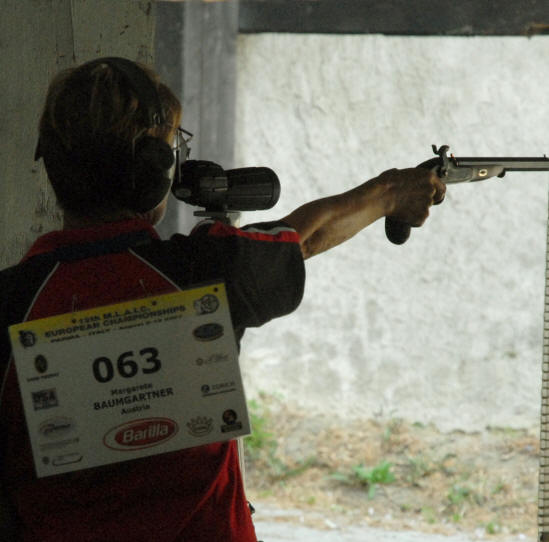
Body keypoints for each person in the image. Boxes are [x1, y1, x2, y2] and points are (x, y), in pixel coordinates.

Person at [0, 57, 445, 542]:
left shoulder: (12, 303)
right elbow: (306, 237)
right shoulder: (205, 271)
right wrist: (389, 194)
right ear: (153, 172)